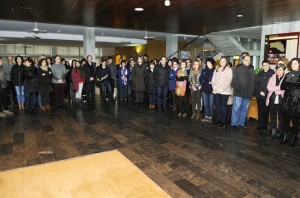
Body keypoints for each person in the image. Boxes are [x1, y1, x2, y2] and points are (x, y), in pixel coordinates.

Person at [231, 55, 254, 130]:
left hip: (247, 94)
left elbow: (253, 82)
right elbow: (233, 81)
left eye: (249, 60)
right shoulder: (238, 69)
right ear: (243, 60)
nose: (248, 62)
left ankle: (241, 123)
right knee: (236, 109)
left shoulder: (251, 70)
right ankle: (234, 123)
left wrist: (252, 91)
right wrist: (239, 89)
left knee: (244, 110)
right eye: (247, 60)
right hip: (239, 93)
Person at [280, 58, 300, 147]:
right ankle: (285, 137)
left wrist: (290, 85)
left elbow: (296, 86)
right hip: (286, 101)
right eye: (292, 64)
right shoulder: (288, 74)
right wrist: (293, 85)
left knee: (295, 121)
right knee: (285, 120)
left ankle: (293, 139)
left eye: (295, 63)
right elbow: (282, 86)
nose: (293, 65)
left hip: (296, 101)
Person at [211, 57, 233, 128]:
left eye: (223, 61)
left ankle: (223, 122)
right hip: (216, 91)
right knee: (218, 106)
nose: (222, 62)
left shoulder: (229, 70)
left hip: (224, 91)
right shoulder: (217, 69)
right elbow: (213, 80)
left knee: (223, 106)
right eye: (221, 61)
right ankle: (218, 120)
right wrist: (215, 88)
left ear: (226, 62)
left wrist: (221, 89)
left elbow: (228, 81)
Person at [266, 63, 285, 140]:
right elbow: (269, 88)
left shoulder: (286, 78)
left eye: (280, 70)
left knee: (281, 118)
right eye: (277, 70)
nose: (279, 71)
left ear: (284, 70)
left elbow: (285, 90)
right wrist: (279, 88)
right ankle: (273, 133)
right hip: (272, 100)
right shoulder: (272, 77)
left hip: (281, 100)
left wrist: (277, 90)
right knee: (273, 117)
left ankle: (279, 134)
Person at [254, 60, 274, 132]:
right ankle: (259, 125)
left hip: (268, 96)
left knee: (266, 112)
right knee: (260, 111)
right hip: (259, 96)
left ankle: (264, 126)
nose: (265, 66)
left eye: (266, 65)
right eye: (264, 65)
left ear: (269, 65)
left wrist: (266, 92)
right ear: (262, 66)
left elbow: (273, 85)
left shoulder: (273, 74)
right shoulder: (259, 74)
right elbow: (255, 84)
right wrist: (260, 91)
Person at [199, 58, 215, 123]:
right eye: (207, 63)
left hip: (212, 90)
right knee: (205, 104)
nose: (208, 64)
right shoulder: (204, 70)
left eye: (209, 63)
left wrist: (212, 83)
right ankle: (206, 116)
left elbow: (216, 80)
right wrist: (206, 82)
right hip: (204, 89)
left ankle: (210, 117)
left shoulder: (215, 70)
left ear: (212, 63)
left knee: (211, 104)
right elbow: (200, 79)